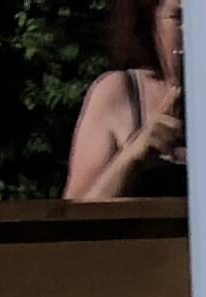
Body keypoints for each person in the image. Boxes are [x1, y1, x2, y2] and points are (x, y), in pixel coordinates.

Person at [65, 0, 184, 199]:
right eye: (178, 18)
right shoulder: (118, 93)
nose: (191, 33)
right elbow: (73, 220)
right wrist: (133, 155)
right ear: (151, 24)